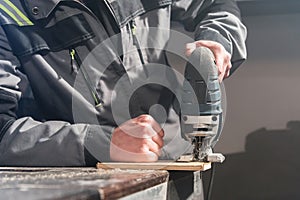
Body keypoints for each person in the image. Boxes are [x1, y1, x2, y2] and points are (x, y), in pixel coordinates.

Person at [0, 0, 246, 166]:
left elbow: (215, 5)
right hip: (89, 179)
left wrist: (218, 40)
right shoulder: (7, 12)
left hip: (177, 161)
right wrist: (102, 143)